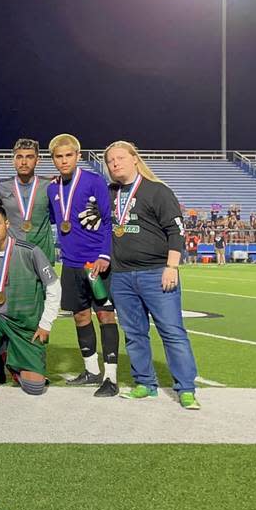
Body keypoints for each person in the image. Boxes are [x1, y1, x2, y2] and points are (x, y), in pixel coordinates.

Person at [104, 141, 200, 410]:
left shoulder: (157, 191)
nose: (115, 164)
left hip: (156, 273)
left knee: (172, 332)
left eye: (120, 158)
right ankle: (145, 383)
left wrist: (172, 267)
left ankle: (186, 389)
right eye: (110, 161)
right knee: (134, 333)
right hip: (122, 275)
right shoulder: (108, 193)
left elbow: (176, 231)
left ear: (135, 159)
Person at [46, 133, 119, 396]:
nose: (64, 161)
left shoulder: (94, 181)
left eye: (68, 155)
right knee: (80, 316)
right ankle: (91, 370)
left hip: (96, 264)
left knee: (105, 315)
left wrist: (104, 255)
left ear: (78, 156)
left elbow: (109, 220)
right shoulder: (53, 188)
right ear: (53, 159)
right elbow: (58, 221)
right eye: (58, 156)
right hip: (71, 264)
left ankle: (110, 377)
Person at [0, 205, 62, 397]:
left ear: (7, 224)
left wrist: (46, 324)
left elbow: (53, 286)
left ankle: (11, 359)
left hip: (28, 327)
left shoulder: (30, 251)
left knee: (34, 389)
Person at [0, 138, 55, 264]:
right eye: (19, 157)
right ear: (13, 161)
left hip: (42, 252)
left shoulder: (50, 186)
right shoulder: (0, 187)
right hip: (12, 253)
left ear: (37, 161)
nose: (24, 162)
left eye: (30, 157)